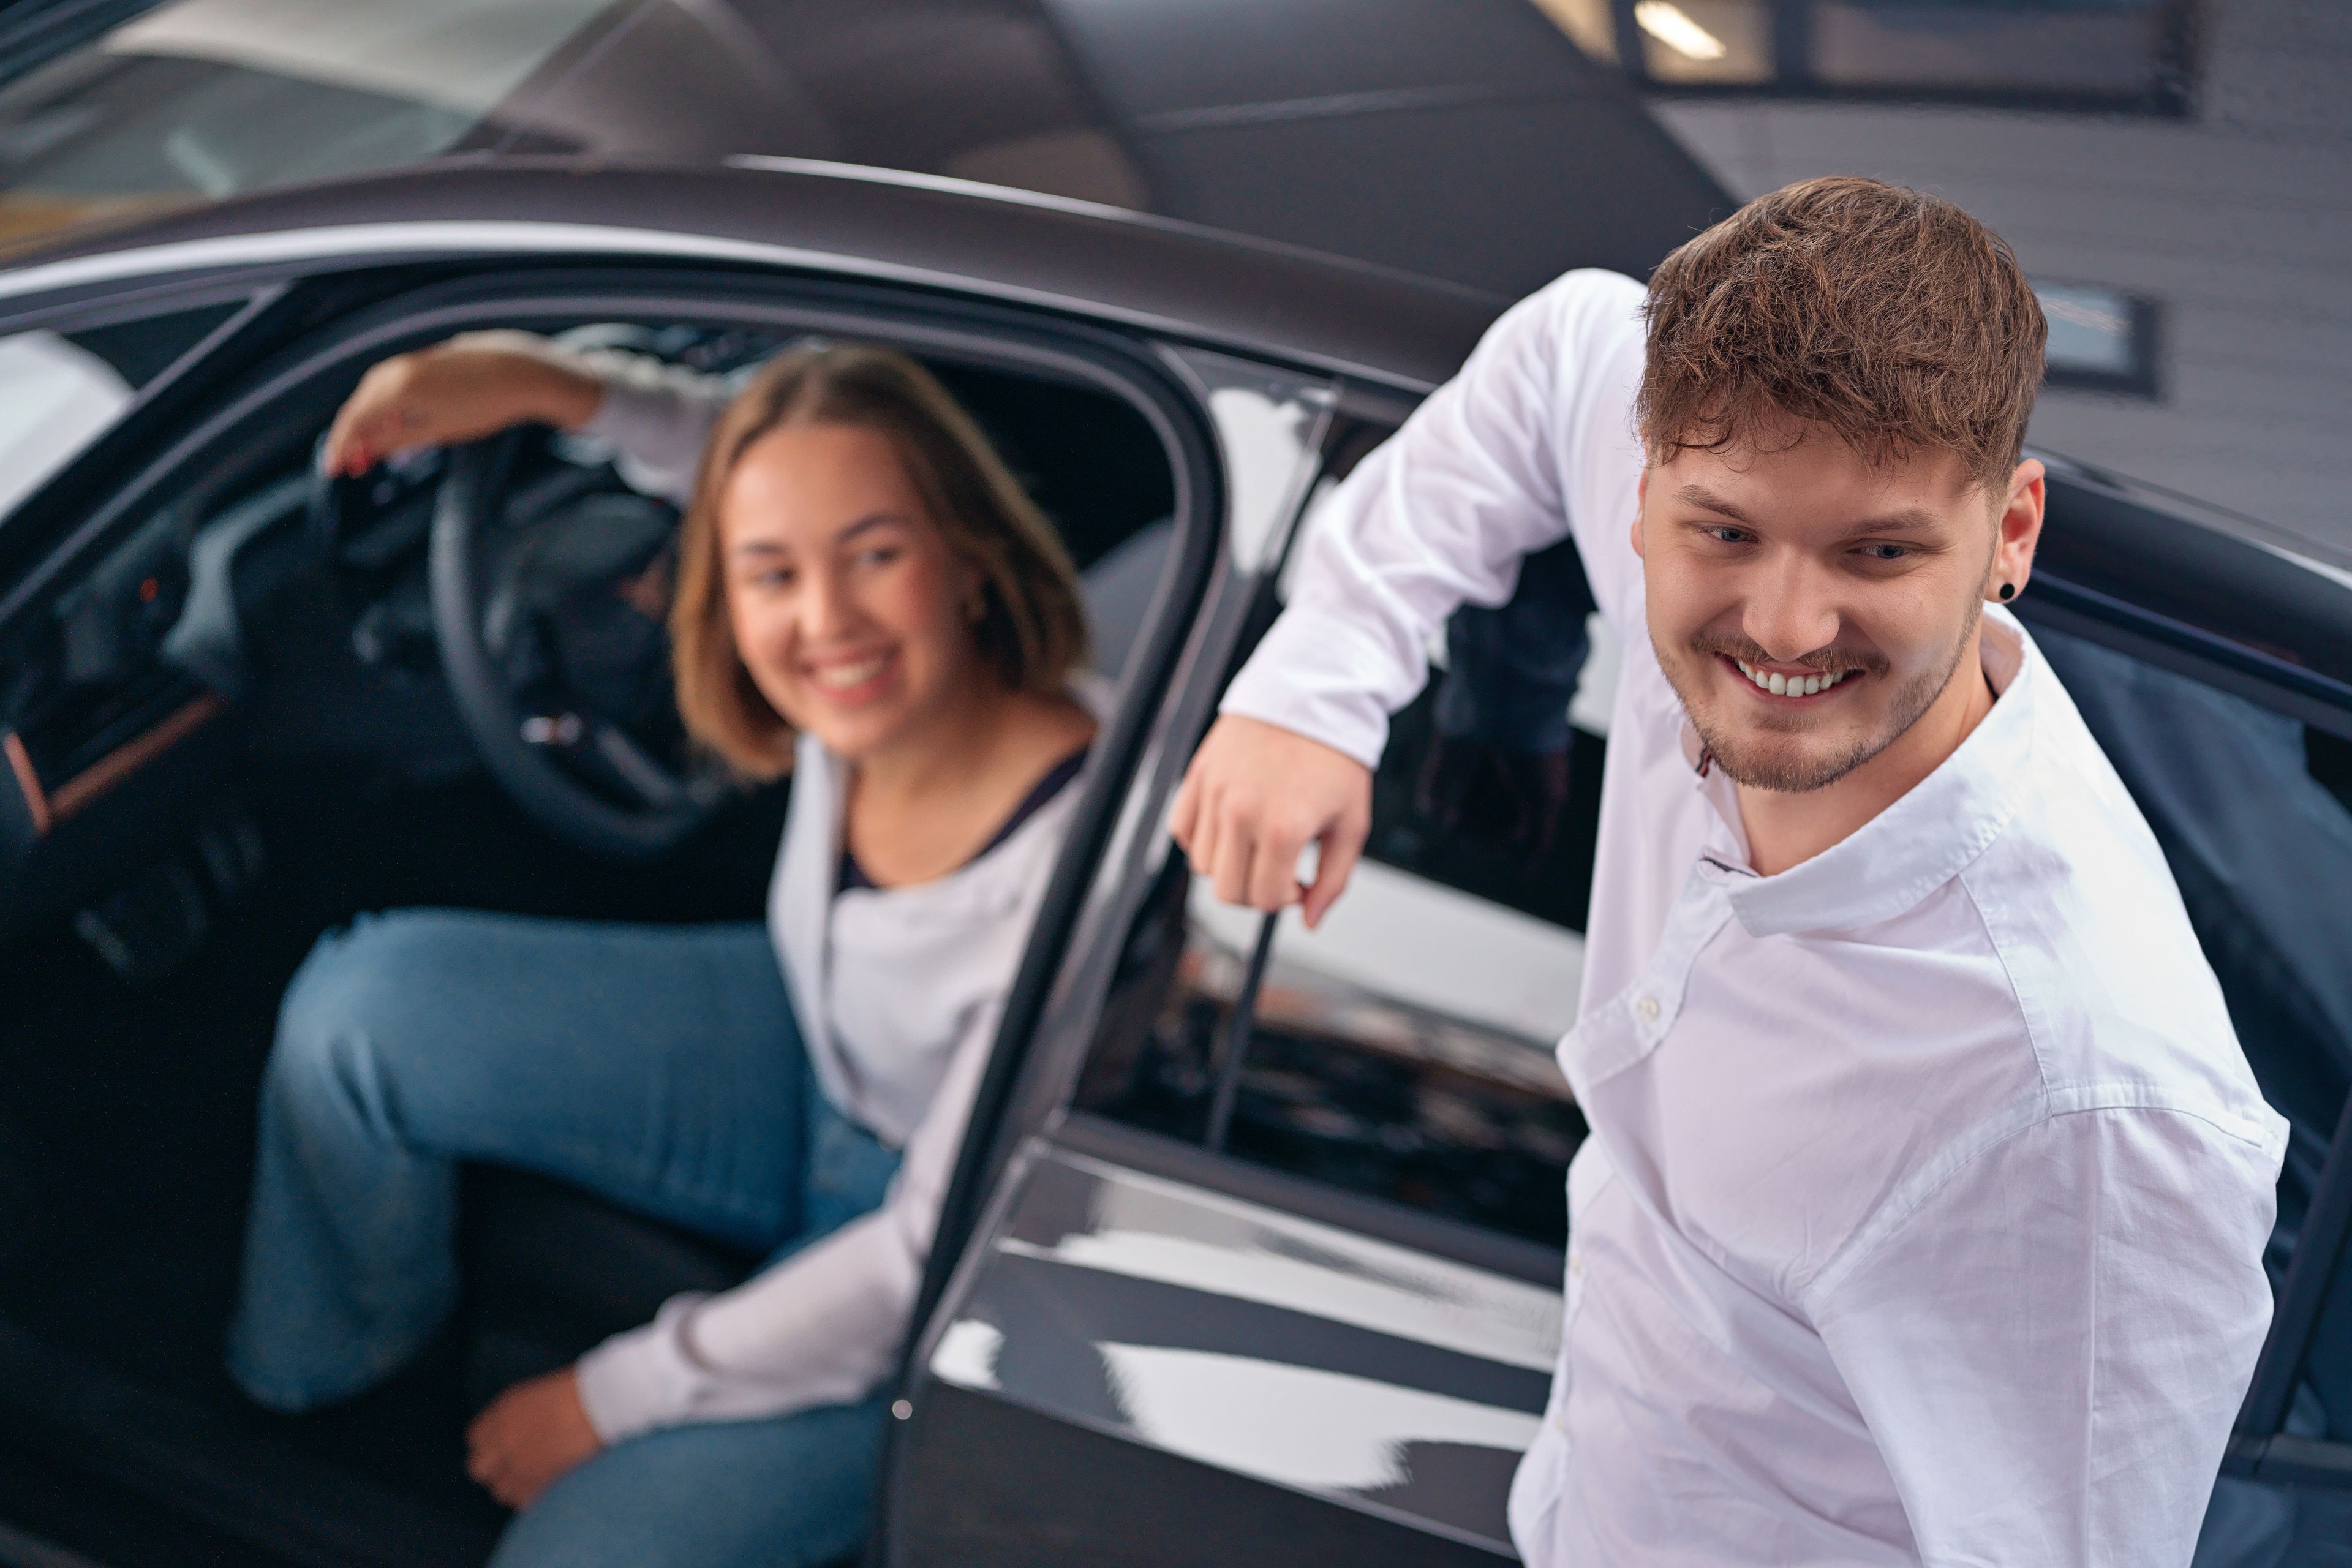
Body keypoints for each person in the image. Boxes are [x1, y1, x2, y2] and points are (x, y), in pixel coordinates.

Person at [1172, 175, 2286, 1564]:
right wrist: (1317, 685)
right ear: (1645, 496)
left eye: (1878, 551)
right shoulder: (1687, 576)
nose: (1784, 626)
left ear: (2012, 532)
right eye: (1727, 534)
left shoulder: (2083, 1104)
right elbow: (1562, 346)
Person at [228, 337, 1099, 1567]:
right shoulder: (850, 669)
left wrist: (609, 1395)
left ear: (967, 555)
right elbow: (728, 448)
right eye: (772, 575)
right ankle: (315, 1385)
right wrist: (530, 378)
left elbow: (919, 1254)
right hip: (809, 1050)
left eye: (877, 555)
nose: (826, 619)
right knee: (360, 1016)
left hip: (951, 1267)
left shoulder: (1074, 863)